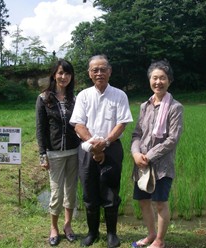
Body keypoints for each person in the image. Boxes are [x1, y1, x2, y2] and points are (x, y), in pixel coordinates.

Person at [70, 54, 133, 248]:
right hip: (88, 149)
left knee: (111, 192)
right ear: (89, 73)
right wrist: (93, 143)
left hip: (112, 148)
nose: (99, 73)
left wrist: (104, 143)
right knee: (89, 192)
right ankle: (92, 232)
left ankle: (112, 234)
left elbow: (122, 124)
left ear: (110, 71)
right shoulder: (83, 96)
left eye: (103, 69)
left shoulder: (119, 95)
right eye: (95, 70)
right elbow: (78, 124)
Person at [131, 60, 183, 248]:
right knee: (143, 201)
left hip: (162, 165)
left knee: (160, 203)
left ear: (169, 81)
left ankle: (160, 241)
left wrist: (149, 156)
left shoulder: (175, 107)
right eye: (155, 78)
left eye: (163, 78)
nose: (158, 82)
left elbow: (172, 139)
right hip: (141, 164)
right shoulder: (145, 106)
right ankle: (151, 234)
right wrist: (136, 154)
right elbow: (137, 133)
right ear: (149, 80)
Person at [36, 59, 80, 246]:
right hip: (54, 153)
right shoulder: (44, 98)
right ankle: (53, 227)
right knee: (56, 193)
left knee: (71, 191)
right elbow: (40, 129)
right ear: (54, 74)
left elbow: (80, 124)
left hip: (74, 151)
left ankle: (67, 225)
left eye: (68, 73)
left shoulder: (75, 99)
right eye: (60, 73)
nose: (64, 77)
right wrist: (42, 154)